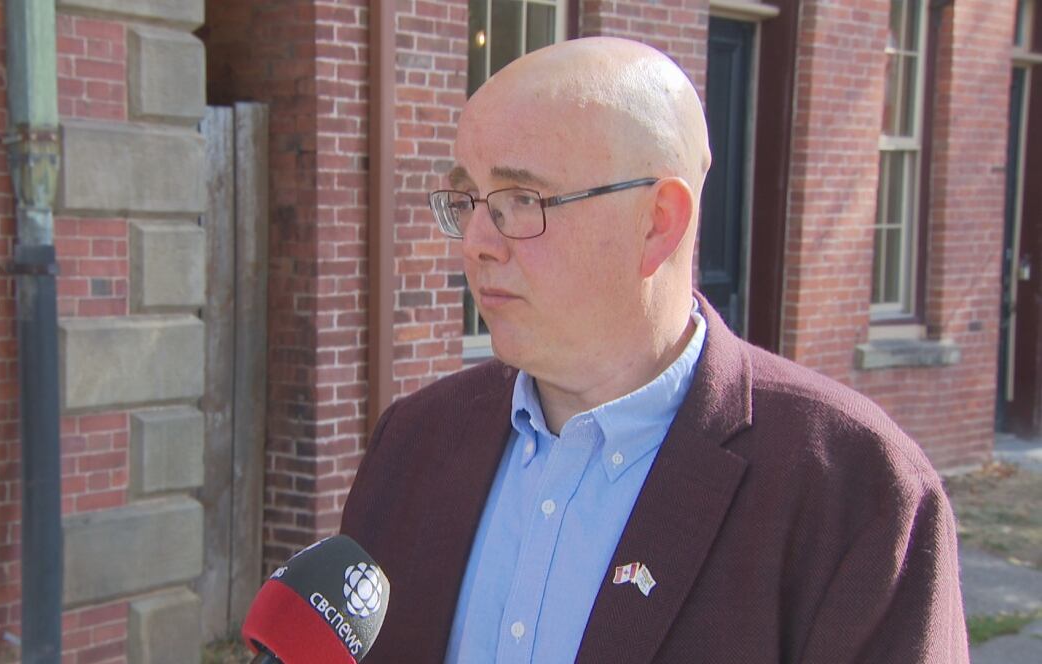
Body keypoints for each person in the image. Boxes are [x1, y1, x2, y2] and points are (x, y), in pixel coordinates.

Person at [341, 37, 968, 663]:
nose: (476, 241)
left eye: (519, 201)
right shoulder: (413, 441)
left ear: (658, 222)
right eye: (468, 200)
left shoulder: (855, 490)